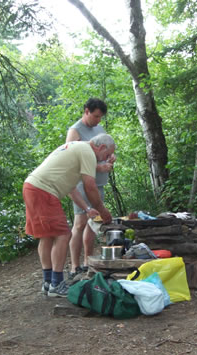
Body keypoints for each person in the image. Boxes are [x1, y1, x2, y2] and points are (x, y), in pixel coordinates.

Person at [22, 134, 115, 297]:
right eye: (106, 155)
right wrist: (102, 210)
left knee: (47, 236)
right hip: (43, 191)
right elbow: (90, 186)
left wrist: (87, 209)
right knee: (63, 235)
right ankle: (57, 284)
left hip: (32, 186)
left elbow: (72, 190)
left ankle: (48, 282)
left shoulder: (75, 147)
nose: (104, 160)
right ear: (101, 147)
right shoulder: (87, 151)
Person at [66, 98, 116, 278]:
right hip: (82, 184)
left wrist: (110, 157)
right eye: (95, 116)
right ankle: (74, 266)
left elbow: (105, 149)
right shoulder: (75, 131)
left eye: (100, 117)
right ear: (86, 111)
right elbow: (72, 160)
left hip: (98, 183)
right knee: (79, 223)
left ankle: (88, 261)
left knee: (93, 223)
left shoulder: (99, 129)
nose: (98, 120)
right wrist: (98, 167)